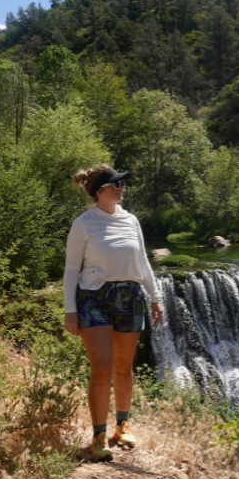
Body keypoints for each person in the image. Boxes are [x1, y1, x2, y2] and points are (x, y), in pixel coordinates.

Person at [63, 166, 163, 463]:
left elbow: (142, 260)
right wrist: (70, 310)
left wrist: (155, 297)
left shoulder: (130, 220)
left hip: (130, 297)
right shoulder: (83, 223)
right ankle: (97, 436)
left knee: (123, 365)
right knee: (102, 367)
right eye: (115, 184)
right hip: (94, 299)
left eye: (121, 183)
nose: (121, 187)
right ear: (100, 191)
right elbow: (71, 269)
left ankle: (121, 426)